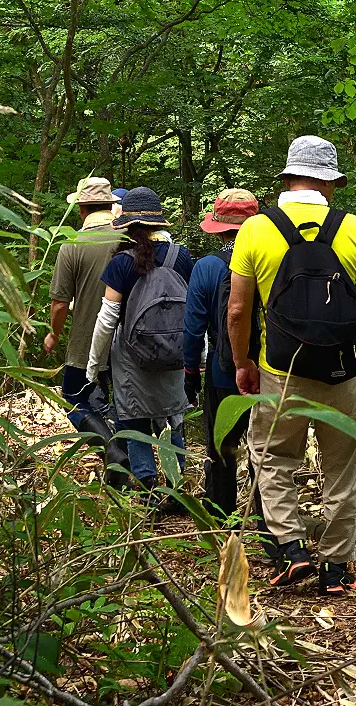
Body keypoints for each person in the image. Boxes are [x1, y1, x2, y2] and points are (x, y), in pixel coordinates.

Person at [227, 136, 356, 597]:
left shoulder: (257, 229)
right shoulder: (352, 227)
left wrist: (242, 363)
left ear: (289, 177)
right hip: (346, 369)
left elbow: (238, 310)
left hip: (280, 369)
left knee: (273, 457)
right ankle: (337, 567)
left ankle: (291, 547)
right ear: (328, 182)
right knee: (343, 469)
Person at [85, 186, 194, 505]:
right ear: (159, 223)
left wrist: (95, 364)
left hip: (131, 357)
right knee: (173, 416)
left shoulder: (121, 262)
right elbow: (190, 307)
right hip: (174, 351)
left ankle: (147, 486)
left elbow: (107, 319)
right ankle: (175, 485)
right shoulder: (181, 256)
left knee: (133, 416)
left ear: (128, 226)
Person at [182, 187, 264, 521]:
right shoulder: (272, 259)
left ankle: (220, 517)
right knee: (265, 449)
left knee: (221, 448)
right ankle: (269, 522)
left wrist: (190, 371)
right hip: (269, 369)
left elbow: (192, 329)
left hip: (223, 370)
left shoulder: (207, 267)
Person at [45, 175, 121, 427]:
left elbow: (60, 302)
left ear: (81, 208)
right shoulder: (131, 238)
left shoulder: (73, 244)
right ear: (111, 206)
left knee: (74, 401)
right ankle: (124, 454)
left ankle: (109, 450)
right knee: (123, 406)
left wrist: (53, 335)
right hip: (128, 340)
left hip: (85, 342)